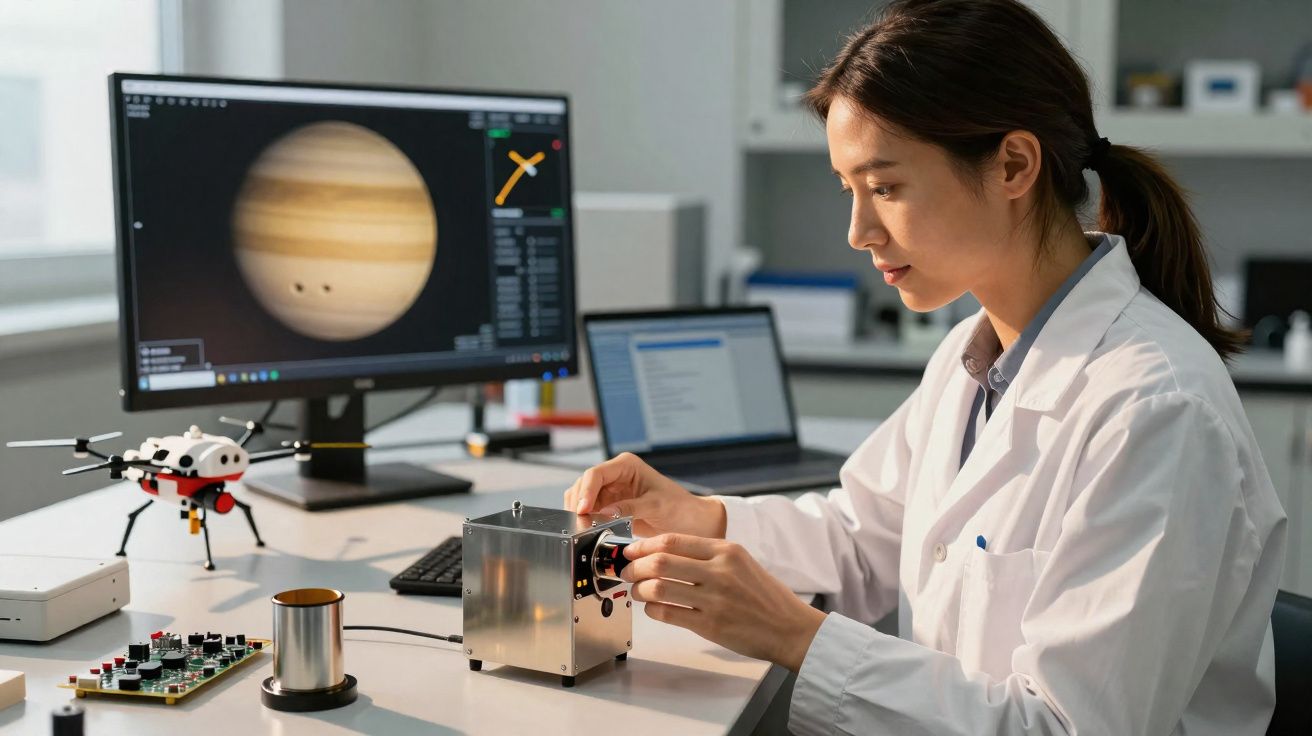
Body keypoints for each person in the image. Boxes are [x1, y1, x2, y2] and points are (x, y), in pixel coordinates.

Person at [564, 0, 1288, 733]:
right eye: (850, 190)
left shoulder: (1155, 410)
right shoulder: (976, 357)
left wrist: (794, 635)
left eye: (885, 187)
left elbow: (1069, 728)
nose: (858, 230)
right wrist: (700, 516)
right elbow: (863, 536)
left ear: (1013, 165)